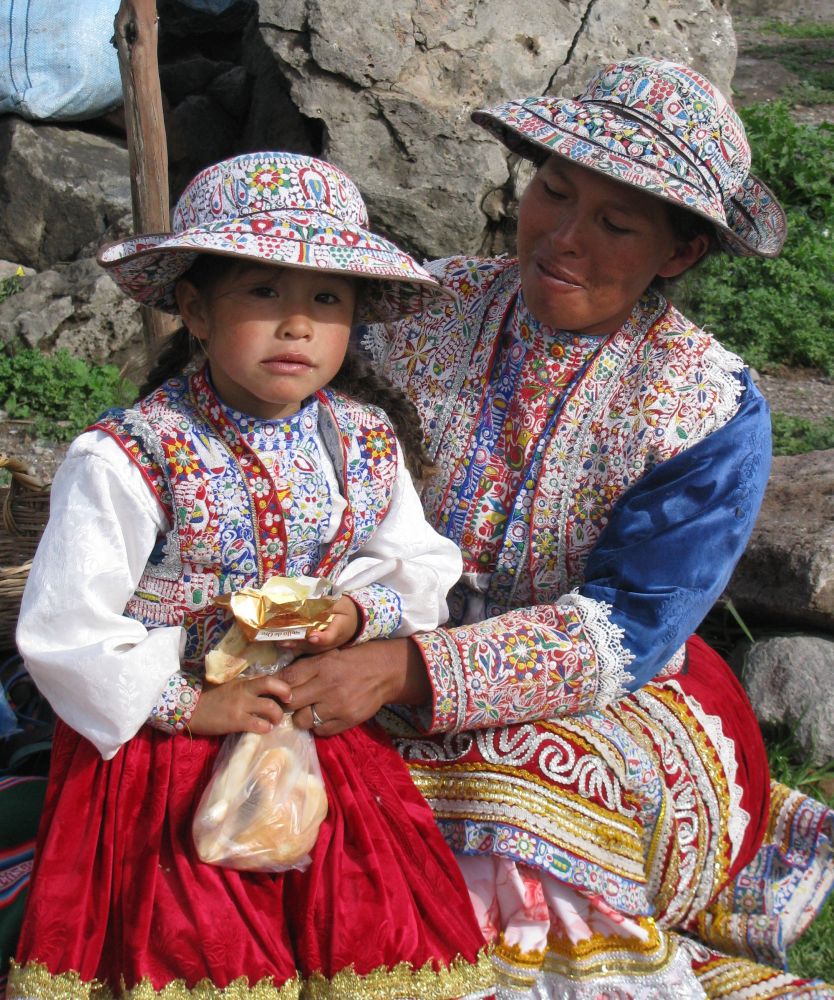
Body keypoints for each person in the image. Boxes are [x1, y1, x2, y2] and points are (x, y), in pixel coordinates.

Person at [278, 58, 834, 997]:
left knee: (523, 787)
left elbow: (627, 625)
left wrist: (410, 670)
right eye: (554, 191)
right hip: (358, 644)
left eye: (615, 224)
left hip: (609, 699)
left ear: (680, 253)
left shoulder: (702, 405)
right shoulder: (410, 310)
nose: (563, 238)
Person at [8, 152, 495, 999]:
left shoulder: (362, 438)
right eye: (264, 294)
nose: (298, 326)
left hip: (310, 724)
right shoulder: (132, 454)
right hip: (167, 746)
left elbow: (417, 560)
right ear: (194, 308)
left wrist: (352, 613)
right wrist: (192, 706)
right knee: (195, 937)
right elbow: (67, 626)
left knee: (360, 913)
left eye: (327, 300)